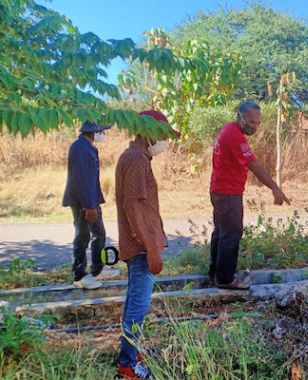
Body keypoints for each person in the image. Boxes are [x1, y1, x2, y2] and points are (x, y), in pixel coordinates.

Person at [115, 110, 179, 380]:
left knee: (134, 302)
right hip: (142, 247)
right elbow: (132, 207)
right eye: (162, 135)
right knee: (139, 307)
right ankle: (127, 365)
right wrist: (151, 249)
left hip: (142, 245)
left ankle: (130, 352)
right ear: (147, 132)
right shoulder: (137, 160)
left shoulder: (137, 158)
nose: (165, 141)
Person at [209, 101, 290, 290]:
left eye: (258, 123)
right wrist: (274, 187)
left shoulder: (230, 131)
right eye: (251, 122)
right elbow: (253, 165)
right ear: (240, 116)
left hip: (221, 190)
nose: (255, 127)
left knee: (221, 233)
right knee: (231, 234)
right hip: (227, 192)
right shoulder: (234, 135)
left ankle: (216, 274)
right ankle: (226, 279)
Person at [62, 121, 120, 290]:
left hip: (90, 199)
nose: (104, 134)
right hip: (82, 201)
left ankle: (98, 268)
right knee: (83, 236)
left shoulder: (87, 146)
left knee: (99, 233)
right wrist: (89, 206)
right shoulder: (80, 148)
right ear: (93, 132)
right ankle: (79, 275)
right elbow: (82, 179)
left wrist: (93, 202)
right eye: (101, 131)